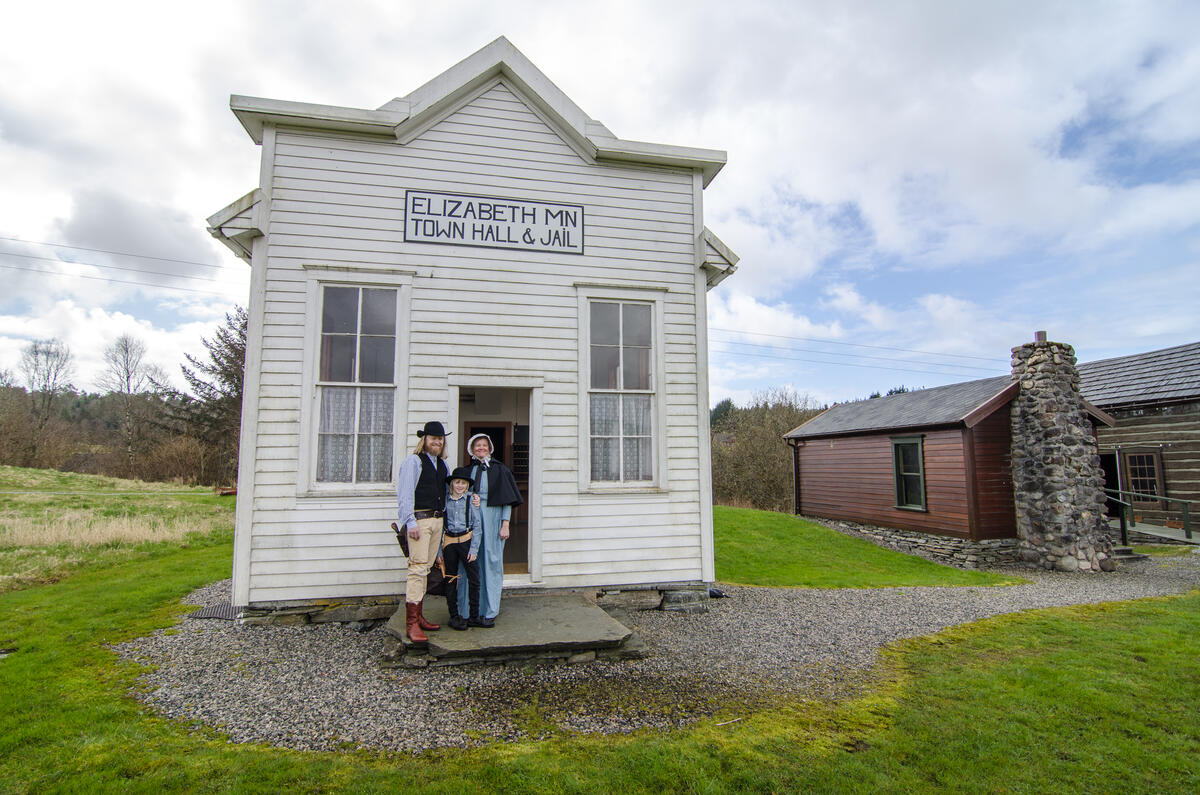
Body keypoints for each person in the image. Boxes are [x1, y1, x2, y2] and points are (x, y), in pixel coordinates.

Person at [457, 433, 524, 625]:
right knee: (470, 562)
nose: (481, 448)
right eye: (477, 445)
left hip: (493, 519)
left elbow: (507, 500)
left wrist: (505, 524)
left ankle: (489, 610)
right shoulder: (466, 471)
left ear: (489, 448)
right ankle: (468, 610)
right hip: (470, 521)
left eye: (484, 445)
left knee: (491, 563)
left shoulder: (500, 470)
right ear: (471, 449)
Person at [395, 420, 451, 643]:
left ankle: (419, 616)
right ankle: (411, 624)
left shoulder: (443, 465)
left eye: (440, 439)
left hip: (437, 521)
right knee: (417, 569)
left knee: (427, 568)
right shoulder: (414, 462)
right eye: (433, 438)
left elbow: (446, 495)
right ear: (424, 440)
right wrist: (409, 521)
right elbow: (405, 493)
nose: (436, 442)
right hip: (420, 520)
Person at [441, 466, 483, 631]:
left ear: (467, 486)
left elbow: (477, 526)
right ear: (452, 484)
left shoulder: (471, 500)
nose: (460, 486)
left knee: (474, 579)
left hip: (466, 540)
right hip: (449, 542)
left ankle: (474, 616)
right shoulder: (445, 501)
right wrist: (439, 552)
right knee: (451, 579)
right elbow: (440, 528)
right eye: (457, 482)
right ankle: (454, 616)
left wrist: (474, 549)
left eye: (463, 483)